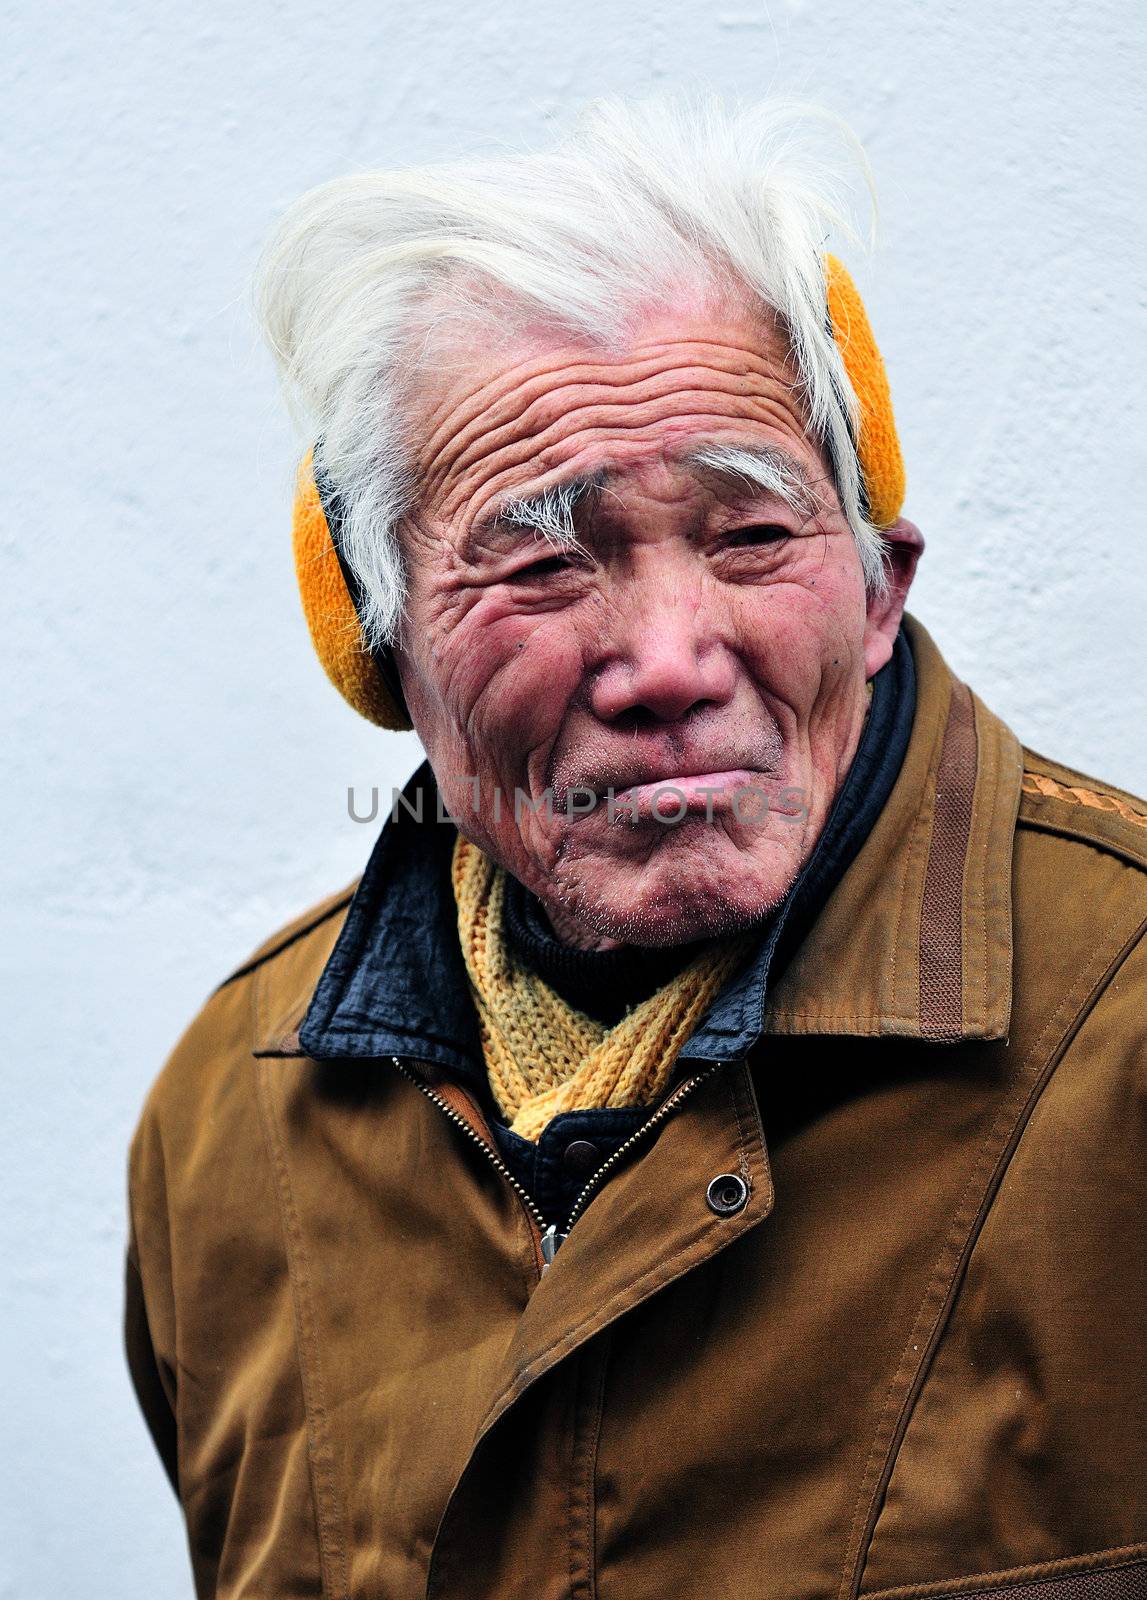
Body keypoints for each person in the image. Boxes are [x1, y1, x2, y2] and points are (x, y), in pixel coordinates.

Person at [124, 97, 1147, 1599]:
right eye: (539, 561)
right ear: (381, 652)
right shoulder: (232, 1123)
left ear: (877, 594)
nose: (670, 657)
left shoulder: (1121, 1037)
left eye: (749, 537)